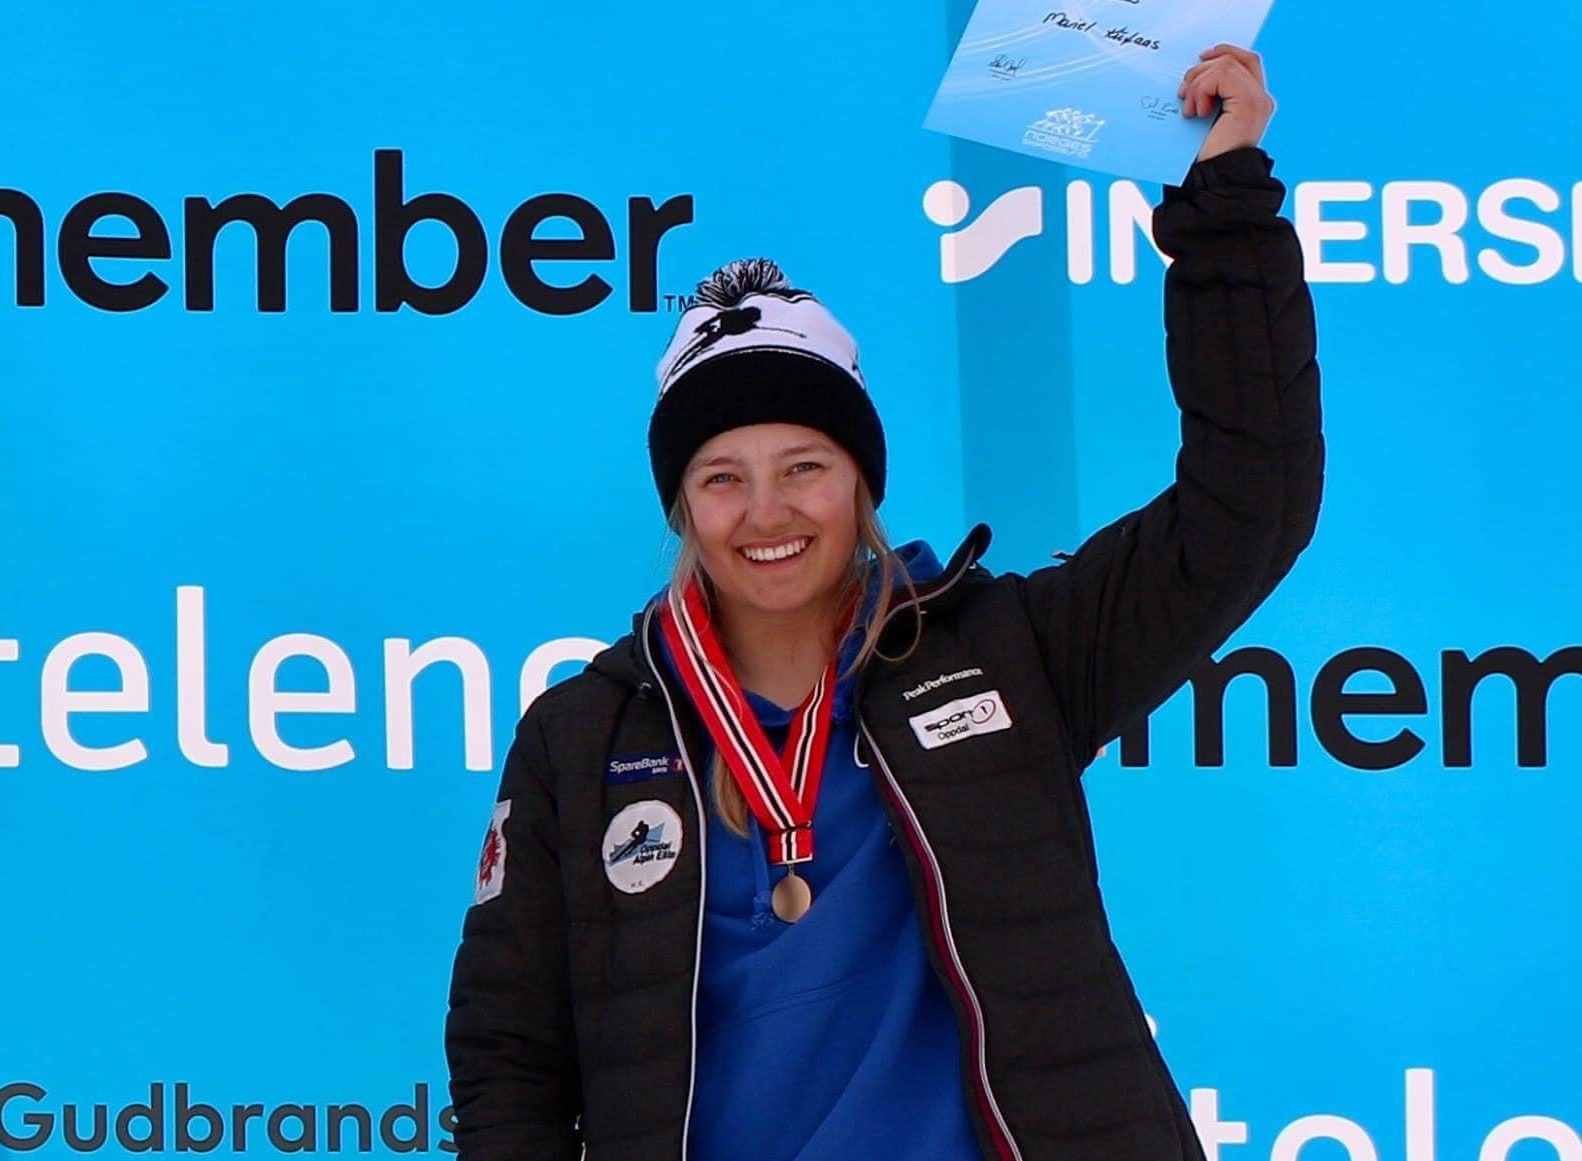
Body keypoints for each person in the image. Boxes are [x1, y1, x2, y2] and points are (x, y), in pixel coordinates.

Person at [445, 42, 1322, 1161]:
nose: (766, 512)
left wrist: (1223, 205)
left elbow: (1248, 505)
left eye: (804, 466)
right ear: (682, 507)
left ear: (860, 481)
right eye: (722, 477)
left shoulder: (1009, 654)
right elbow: (510, 1058)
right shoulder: (583, 739)